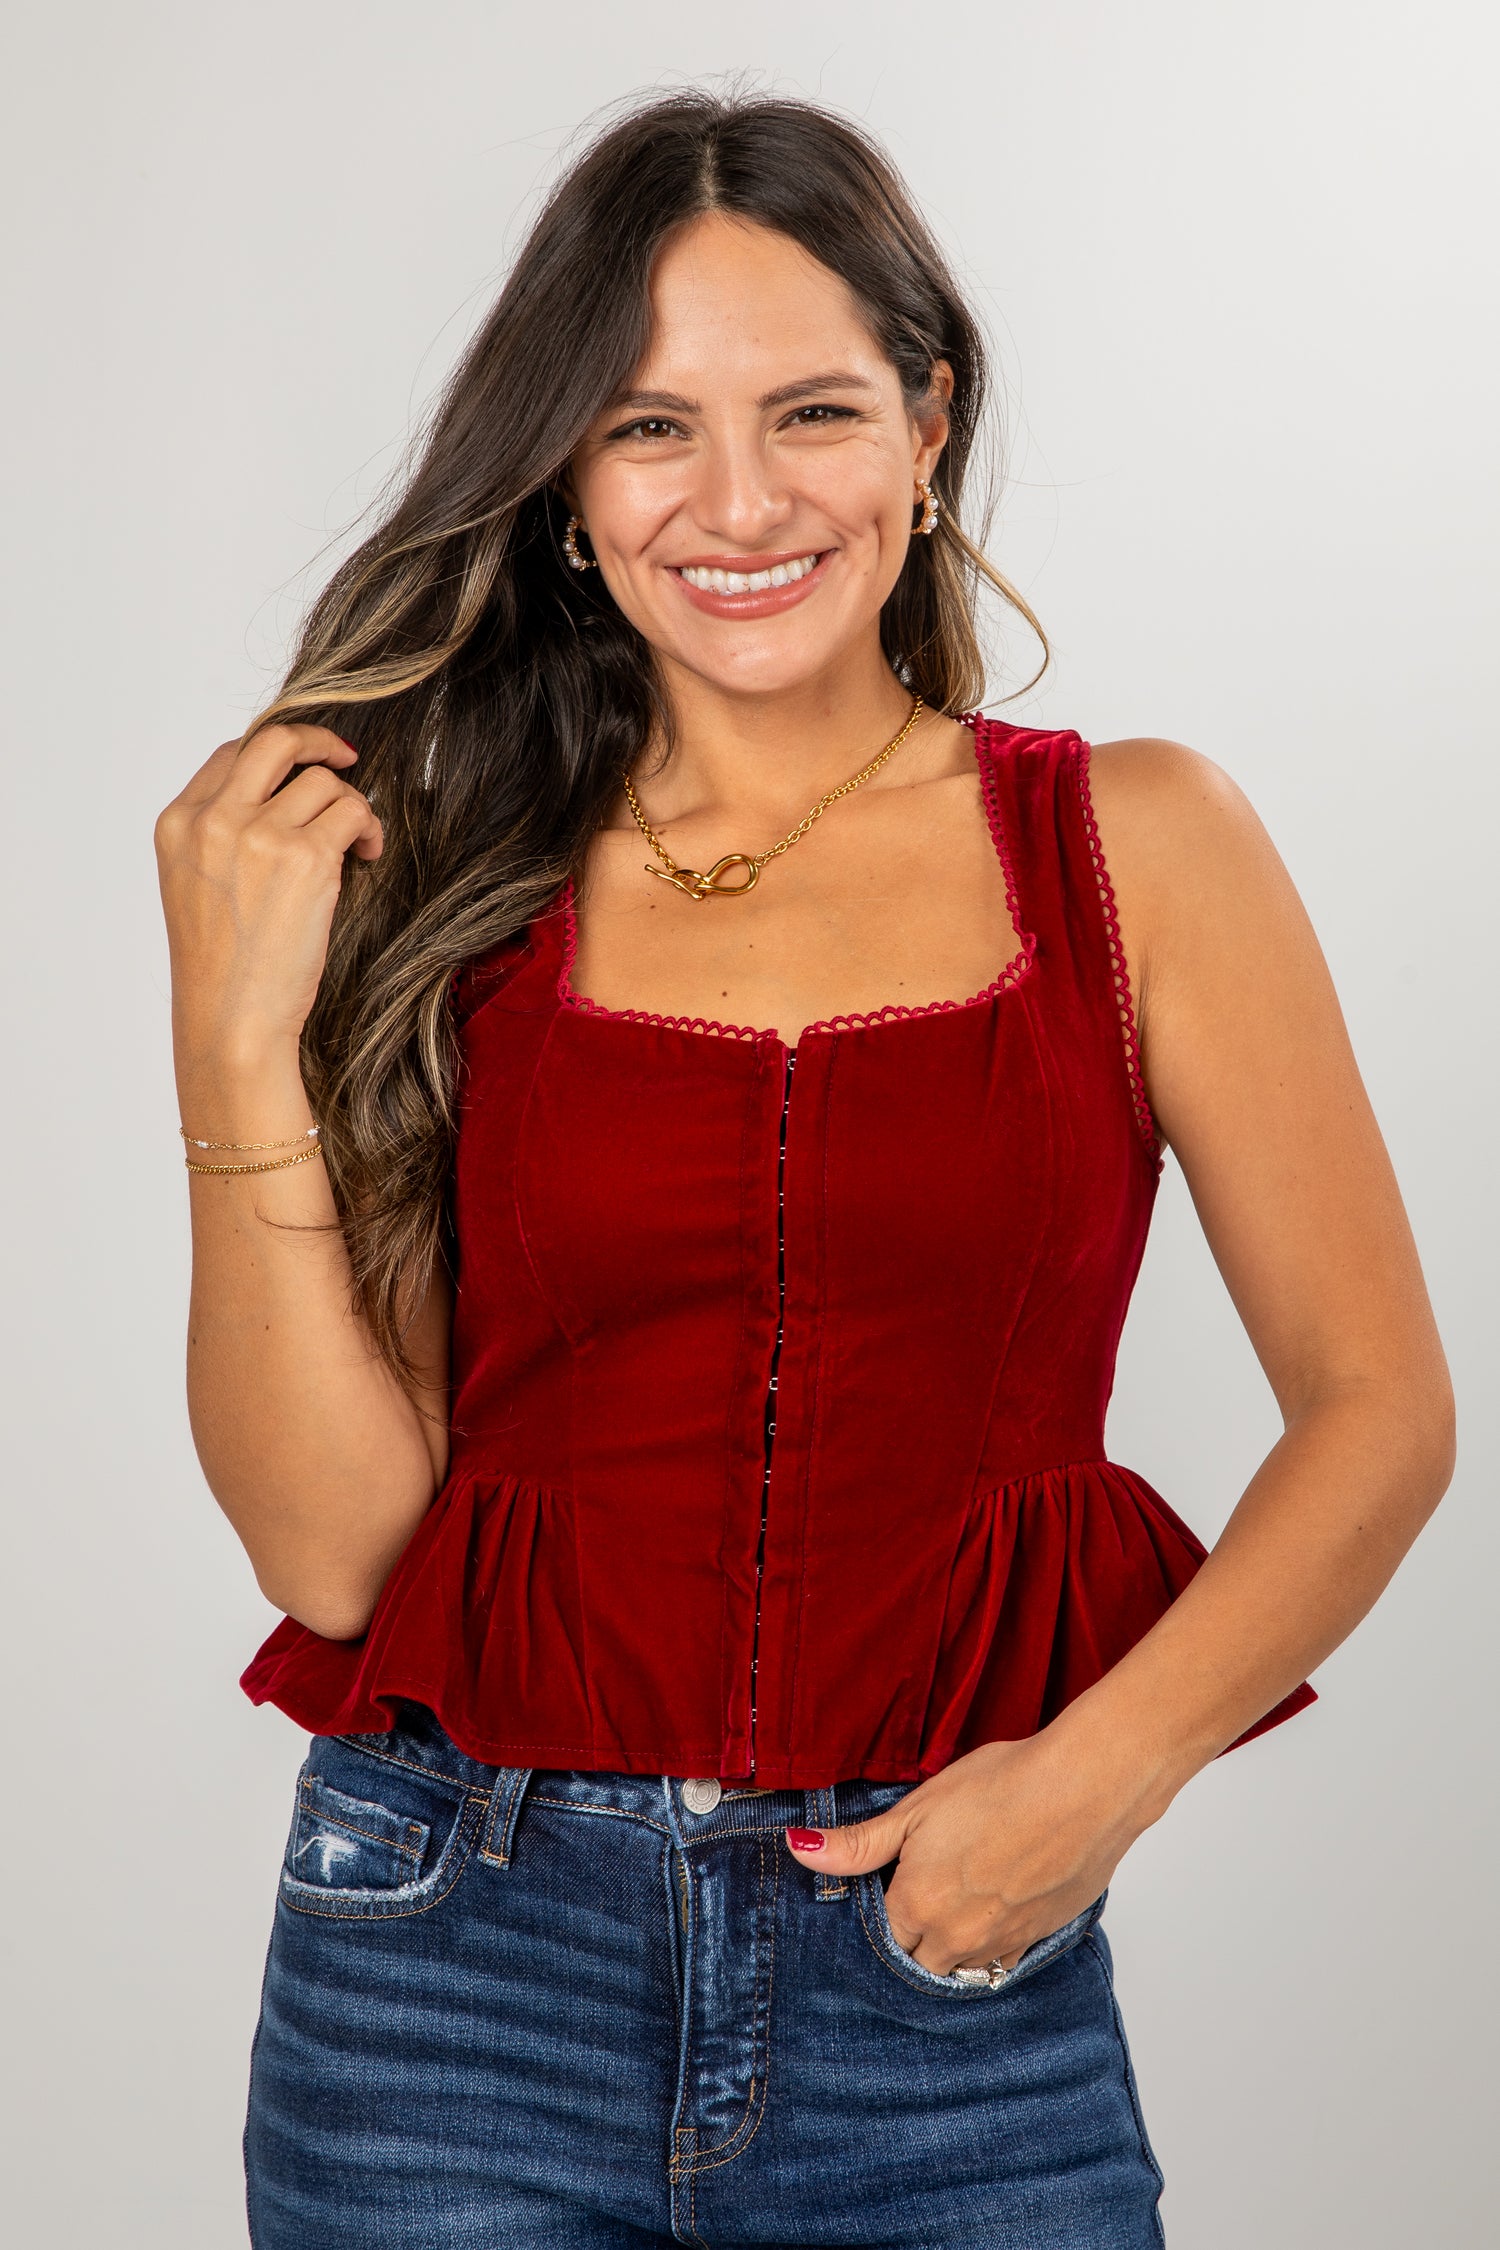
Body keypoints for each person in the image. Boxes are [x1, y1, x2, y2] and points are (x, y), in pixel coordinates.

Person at [153, 90, 1454, 2250]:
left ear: (931, 426)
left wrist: (1089, 1786)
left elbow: (1383, 1412)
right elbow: (337, 1557)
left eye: (816, 409)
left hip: (949, 1979)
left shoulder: (1137, 846)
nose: (737, 501)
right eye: (650, 426)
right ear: (567, 480)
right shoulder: (454, 877)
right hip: (442, 1977)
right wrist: (228, 1044)